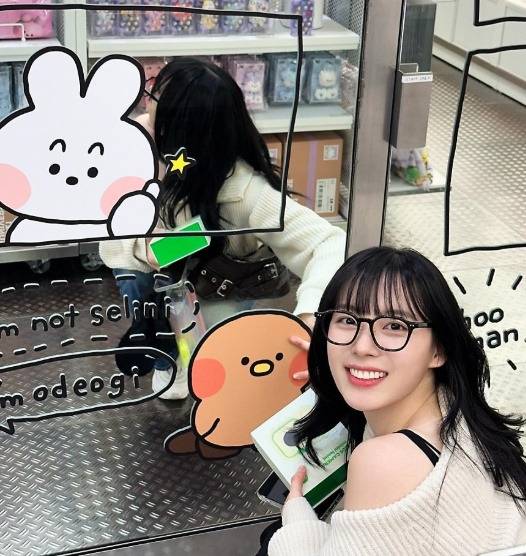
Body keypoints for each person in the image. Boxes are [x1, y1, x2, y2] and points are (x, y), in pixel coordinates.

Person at [99, 57, 345, 399]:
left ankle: (189, 352)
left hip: (224, 287)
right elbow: (112, 242)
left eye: (155, 96)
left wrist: (309, 316)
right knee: (135, 275)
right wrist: (150, 250)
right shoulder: (140, 144)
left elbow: (331, 242)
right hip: (173, 276)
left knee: (214, 361)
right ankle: (167, 351)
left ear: (181, 127)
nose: (147, 101)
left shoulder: (247, 194)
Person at [266, 246, 526, 556]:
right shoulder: (457, 411)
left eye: (394, 326)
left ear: (438, 350)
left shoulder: (384, 461)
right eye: (347, 320)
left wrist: (297, 524)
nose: (362, 346)